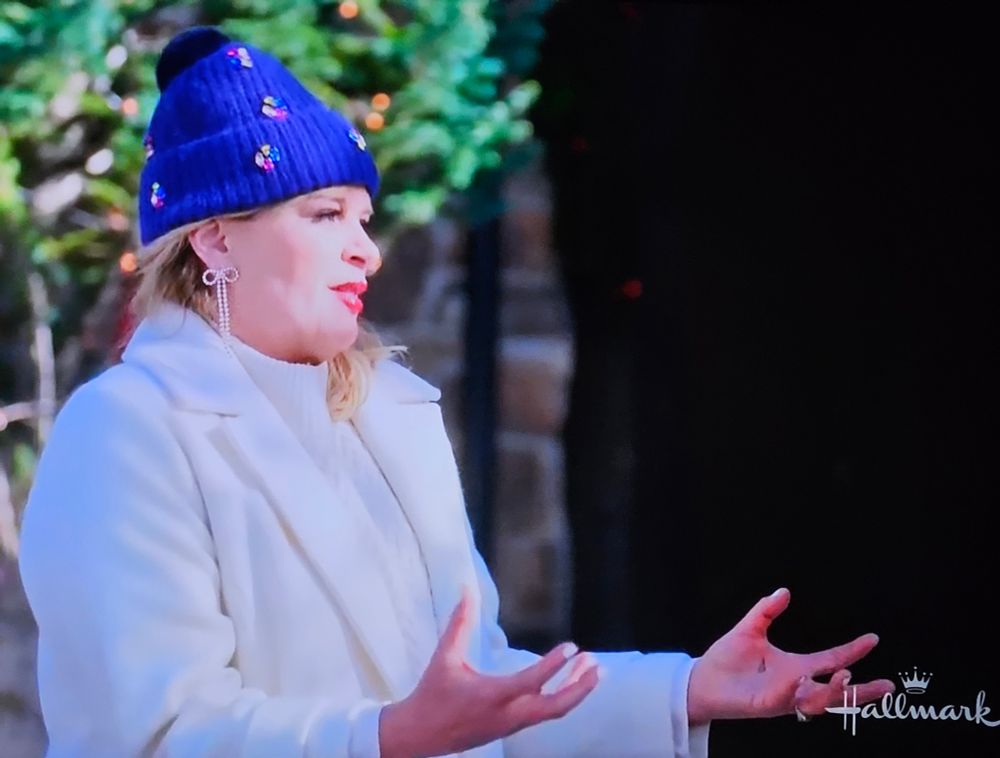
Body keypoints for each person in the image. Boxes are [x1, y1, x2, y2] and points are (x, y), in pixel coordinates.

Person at [17, 26, 894, 758]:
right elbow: (153, 736)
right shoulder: (127, 432)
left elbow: (484, 696)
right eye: (324, 216)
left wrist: (685, 689)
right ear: (212, 241)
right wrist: (386, 737)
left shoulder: (389, 417)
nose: (367, 250)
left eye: (364, 218)